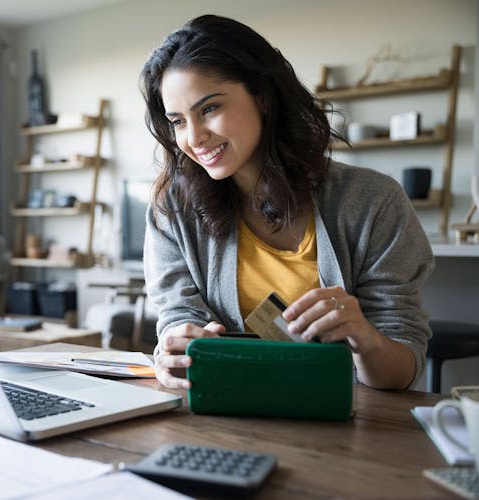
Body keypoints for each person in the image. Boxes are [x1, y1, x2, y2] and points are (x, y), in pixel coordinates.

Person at [139, 15, 433, 391]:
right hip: (224, 412)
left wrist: (365, 337)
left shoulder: (373, 202)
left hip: (344, 419)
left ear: (262, 95)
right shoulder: (173, 211)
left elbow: (401, 370)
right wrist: (174, 351)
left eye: (210, 108)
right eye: (178, 121)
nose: (194, 137)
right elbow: (178, 323)